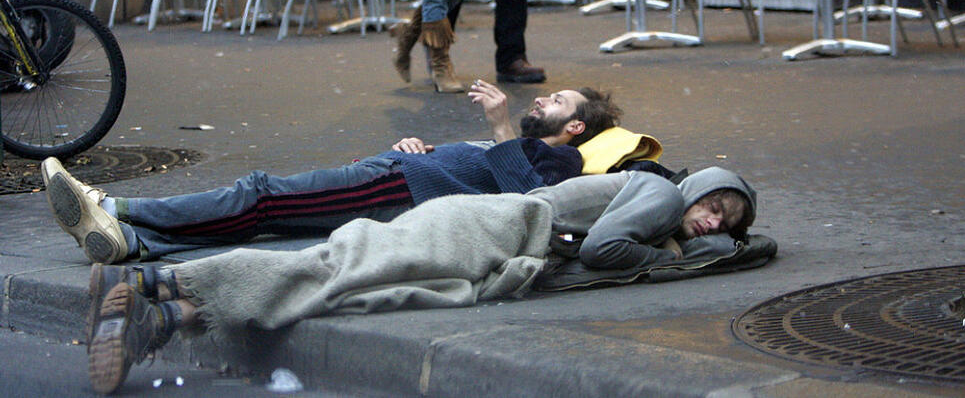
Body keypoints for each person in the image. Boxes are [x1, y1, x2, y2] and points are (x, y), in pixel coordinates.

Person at [84, 165, 756, 394]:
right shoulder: (660, 194)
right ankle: (154, 283)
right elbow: (608, 249)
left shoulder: (666, 220)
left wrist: (723, 248)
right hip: (491, 231)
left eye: (726, 223)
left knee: (348, 292)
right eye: (716, 205)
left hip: (501, 256)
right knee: (335, 266)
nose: (711, 222)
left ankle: (163, 318)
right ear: (698, 188)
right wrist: (671, 260)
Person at [42, 80, 621, 265]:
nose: (543, 100)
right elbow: (477, 171)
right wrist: (413, 146)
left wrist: (497, 125)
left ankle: (117, 209)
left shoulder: (562, 159)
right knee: (266, 214)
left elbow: (531, 201)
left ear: (575, 128)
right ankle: (136, 242)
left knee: (262, 196)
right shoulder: (527, 144)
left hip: (401, 189)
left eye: (557, 103)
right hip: (395, 173)